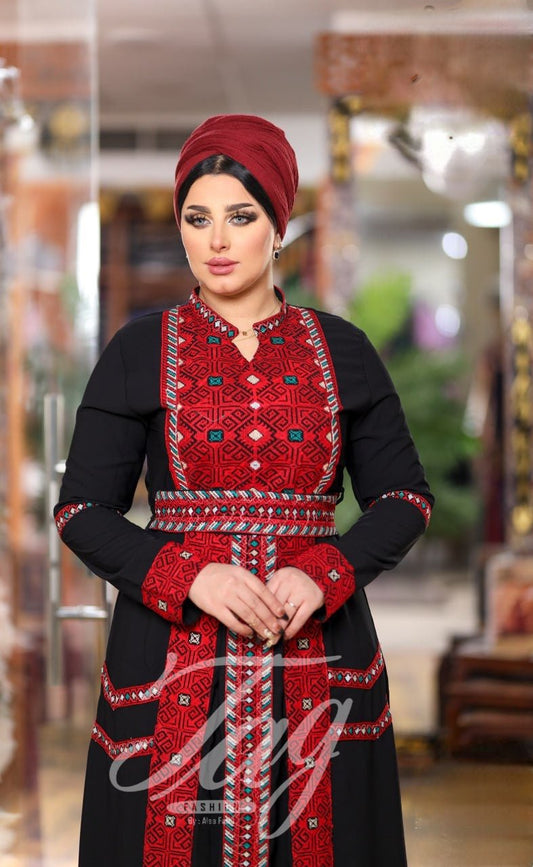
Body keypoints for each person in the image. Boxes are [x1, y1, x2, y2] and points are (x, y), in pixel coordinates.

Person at [55, 114, 434, 867]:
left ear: (279, 226)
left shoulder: (344, 350)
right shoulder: (139, 348)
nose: (217, 241)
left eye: (241, 216)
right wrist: (189, 575)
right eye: (197, 219)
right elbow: (81, 510)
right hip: (171, 653)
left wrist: (323, 572)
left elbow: (404, 498)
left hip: (318, 646)